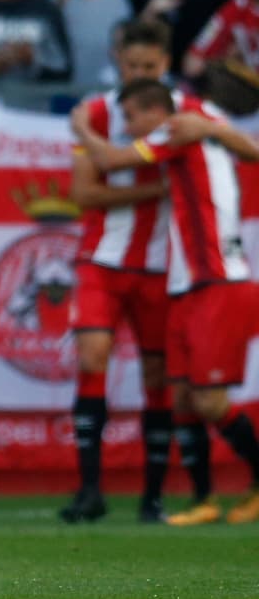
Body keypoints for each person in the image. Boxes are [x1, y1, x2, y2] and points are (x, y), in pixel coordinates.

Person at [72, 78, 259, 526]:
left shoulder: (177, 127)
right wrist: (215, 131)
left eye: (133, 118)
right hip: (187, 284)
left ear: (154, 112)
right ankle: (204, 500)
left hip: (217, 279)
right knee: (182, 396)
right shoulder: (195, 121)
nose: (131, 128)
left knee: (209, 401)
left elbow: (109, 158)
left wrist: (81, 127)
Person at [60, 19, 179, 525]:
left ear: (165, 66)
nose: (138, 73)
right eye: (131, 65)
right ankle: (90, 489)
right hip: (102, 259)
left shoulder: (181, 115)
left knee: (158, 375)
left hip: (159, 263)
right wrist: (154, 192)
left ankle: (152, 497)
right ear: (117, 60)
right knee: (92, 356)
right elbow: (83, 193)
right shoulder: (96, 112)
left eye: (148, 67)